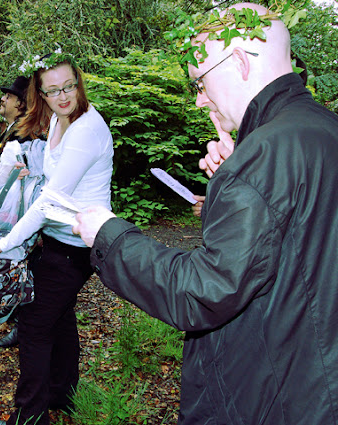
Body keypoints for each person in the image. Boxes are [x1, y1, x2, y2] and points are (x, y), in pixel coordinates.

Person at [74, 3, 338, 424]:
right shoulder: (321, 128)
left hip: (271, 395)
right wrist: (235, 174)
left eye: (200, 81)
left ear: (239, 62)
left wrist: (110, 236)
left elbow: (205, 291)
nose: (199, 99)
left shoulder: (265, 153)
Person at [0, 52, 114, 425]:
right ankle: (62, 395)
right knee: (59, 316)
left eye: (69, 86)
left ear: (79, 83)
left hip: (77, 245)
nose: (63, 96)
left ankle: (30, 417)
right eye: (53, 90)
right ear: (40, 93)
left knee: (34, 324)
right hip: (56, 239)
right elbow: (50, 178)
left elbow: (52, 199)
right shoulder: (58, 119)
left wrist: (6, 242)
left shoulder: (86, 129)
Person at [0, 76, 44, 349]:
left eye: (8, 95)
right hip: (19, 198)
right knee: (19, 256)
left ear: (20, 103)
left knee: (23, 257)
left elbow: (7, 171)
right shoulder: (16, 128)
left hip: (23, 202)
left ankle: (22, 322)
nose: (3, 99)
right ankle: (17, 311)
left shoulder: (25, 131)